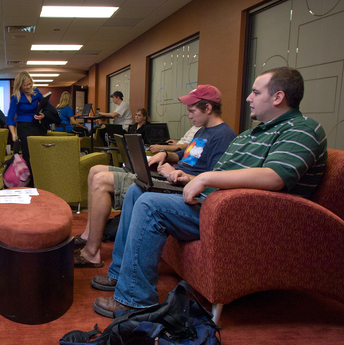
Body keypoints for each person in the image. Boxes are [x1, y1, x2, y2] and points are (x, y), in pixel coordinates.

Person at [91, 67, 328, 318]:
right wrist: (193, 179)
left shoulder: (302, 129)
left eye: (256, 92)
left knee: (149, 204)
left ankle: (135, 299)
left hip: (241, 215)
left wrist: (204, 178)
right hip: (216, 204)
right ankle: (120, 275)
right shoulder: (251, 134)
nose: (248, 97)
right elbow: (220, 172)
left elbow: (275, 176)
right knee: (138, 192)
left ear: (278, 97)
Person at [74, 85, 236, 268]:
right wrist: (164, 156)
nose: (189, 116)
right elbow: (183, 157)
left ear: (208, 108)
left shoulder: (223, 136)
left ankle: (91, 253)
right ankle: (88, 235)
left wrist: (177, 173)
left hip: (179, 185)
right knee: (95, 169)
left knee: (100, 180)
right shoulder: (202, 131)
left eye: (192, 111)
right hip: (167, 174)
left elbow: (214, 178)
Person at [6, 71, 47, 186]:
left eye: (30, 84)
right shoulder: (15, 98)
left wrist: (43, 115)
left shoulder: (36, 92)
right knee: (28, 155)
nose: (28, 87)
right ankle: (30, 183)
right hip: (23, 127)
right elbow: (10, 117)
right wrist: (13, 134)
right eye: (25, 85)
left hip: (36, 126)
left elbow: (45, 105)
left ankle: (41, 180)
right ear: (20, 85)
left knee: (39, 154)